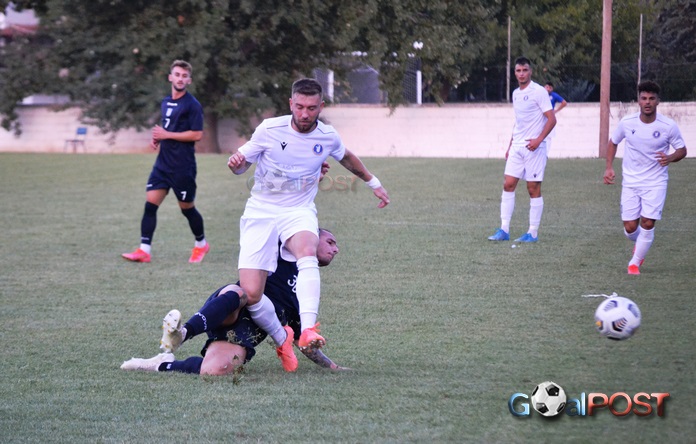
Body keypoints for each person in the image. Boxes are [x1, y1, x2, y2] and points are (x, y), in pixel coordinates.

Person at [226, 78, 390, 371]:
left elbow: (346, 157)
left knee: (307, 250)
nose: (304, 113)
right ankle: (283, 339)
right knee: (251, 294)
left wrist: (373, 183)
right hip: (261, 211)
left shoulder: (327, 135)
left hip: (298, 210)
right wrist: (237, 165)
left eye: (311, 108)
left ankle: (309, 330)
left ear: (321, 107)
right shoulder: (269, 129)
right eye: (299, 106)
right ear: (291, 103)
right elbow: (242, 165)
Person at [120, 229, 349, 374]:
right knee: (241, 293)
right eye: (330, 242)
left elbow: (302, 340)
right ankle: (183, 333)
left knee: (215, 370)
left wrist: (333, 367)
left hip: (245, 333)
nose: (336, 249)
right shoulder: (284, 249)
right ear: (312, 236)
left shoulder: (308, 291)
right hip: (229, 307)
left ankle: (162, 363)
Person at [122, 60, 210, 264]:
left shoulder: (192, 105)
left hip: (183, 167)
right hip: (162, 164)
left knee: (187, 209)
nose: (180, 79)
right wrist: (158, 139)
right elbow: (167, 129)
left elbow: (197, 134)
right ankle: (144, 250)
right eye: (177, 75)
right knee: (150, 205)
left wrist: (167, 134)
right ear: (170, 77)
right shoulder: (165, 102)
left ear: (189, 80)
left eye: (184, 76)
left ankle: (201, 244)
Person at [603, 81, 687, 275]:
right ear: (638, 101)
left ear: (658, 101)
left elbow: (682, 150)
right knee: (630, 228)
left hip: (656, 182)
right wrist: (608, 167)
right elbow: (613, 142)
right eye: (644, 98)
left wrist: (670, 158)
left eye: (651, 98)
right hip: (631, 182)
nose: (647, 102)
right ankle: (641, 242)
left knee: (648, 222)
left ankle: (634, 263)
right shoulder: (627, 123)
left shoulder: (668, 126)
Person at [488, 57, 556, 243]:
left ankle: (532, 233)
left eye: (525, 70)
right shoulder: (516, 94)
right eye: (518, 71)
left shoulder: (539, 91)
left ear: (530, 71)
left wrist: (539, 140)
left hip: (534, 148)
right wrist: (510, 145)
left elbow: (552, 119)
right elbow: (518, 122)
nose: (521, 74)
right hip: (517, 147)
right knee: (508, 184)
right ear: (515, 73)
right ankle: (504, 230)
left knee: (533, 188)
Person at [544, 82, 568, 153]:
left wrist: (556, 111)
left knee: (549, 136)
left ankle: (546, 154)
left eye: (550, 87)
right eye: (547, 87)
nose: (548, 89)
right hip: (541, 117)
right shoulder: (540, 94)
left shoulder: (554, 95)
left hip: (550, 118)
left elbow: (564, 103)